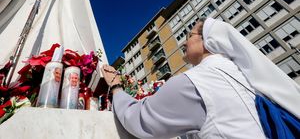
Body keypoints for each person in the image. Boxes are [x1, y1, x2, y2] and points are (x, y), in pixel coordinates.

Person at [101, 17, 300, 139]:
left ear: (208, 41)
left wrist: (117, 87)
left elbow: (139, 120)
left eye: (190, 35)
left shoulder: (195, 82)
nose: (184, 43)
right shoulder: (240, 75)